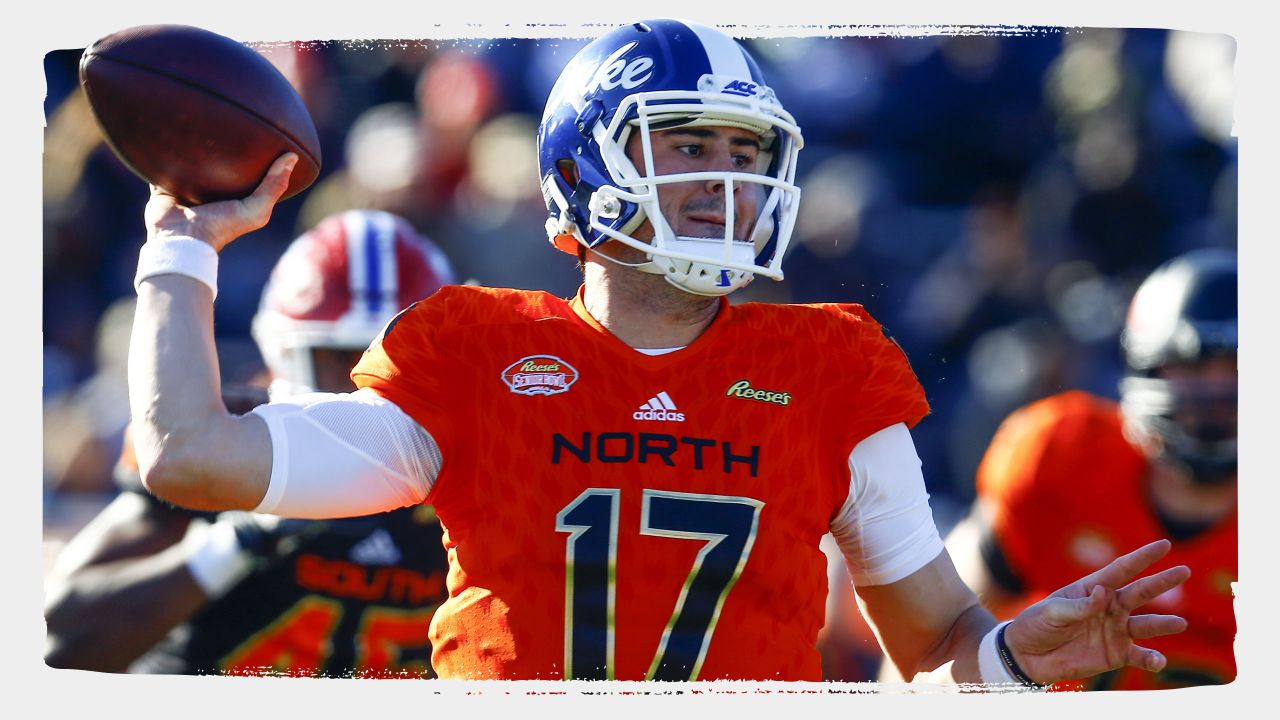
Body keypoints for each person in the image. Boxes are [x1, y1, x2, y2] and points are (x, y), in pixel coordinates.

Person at [124, 19, 1190, 684]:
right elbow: (190, 456)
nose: (726, 181)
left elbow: (932, 648)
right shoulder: (477, 348)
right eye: (685, 143)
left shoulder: (828, 367)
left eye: (745, 152)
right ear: (584, 170)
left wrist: (1005, 658)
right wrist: (178, 253)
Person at [44, 209, 457, 677]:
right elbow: (61, 646)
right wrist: (236, 541)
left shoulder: (475, 461)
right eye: (336, 360)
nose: (361, 391)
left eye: (389, 367)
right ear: (282, 353)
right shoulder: (214, 436)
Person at [944, 248, 1237, 690]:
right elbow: (933, 643)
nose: (1218, 393)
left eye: (1241, 367)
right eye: (1194, 365)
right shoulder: (1062, 459)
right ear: (1147, 364)